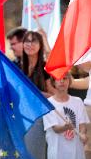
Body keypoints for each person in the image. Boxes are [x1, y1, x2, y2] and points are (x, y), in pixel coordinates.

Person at [21, 31, 55, 159]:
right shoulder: (17, 66)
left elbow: (54, 95)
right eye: (27, 41)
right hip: (23, 116)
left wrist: (35, 93)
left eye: (34, 41)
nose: (30, 44)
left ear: (40, 45)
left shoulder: (45, 68)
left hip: (41, 116)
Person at [43, 73, 89, 159]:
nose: (62, 81)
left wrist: (83, 134)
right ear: (53, 82)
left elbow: (82, 124)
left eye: (65, 78)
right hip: (58, 152)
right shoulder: (48, 104)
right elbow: (55, 129)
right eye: (58, 79)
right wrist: (65, 127)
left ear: (69, 81)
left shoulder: (78, 101)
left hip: (76, 152)